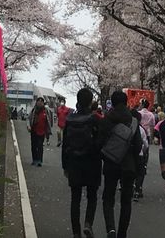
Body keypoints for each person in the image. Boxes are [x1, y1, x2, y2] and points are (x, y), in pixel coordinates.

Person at [99, 91, 143, 238]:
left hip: (111, 163)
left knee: (108, 198)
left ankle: (111, 229)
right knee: (126, 201)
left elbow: (100, 142)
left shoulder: (107, 119)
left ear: (112, 101)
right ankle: (122, 234)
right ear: (126, 102)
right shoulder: (133, 120)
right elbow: (138, 146)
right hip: (128, 165)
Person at [61, 87, 102, 238]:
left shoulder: (70, 119)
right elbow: (101, 142)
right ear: (91, 101)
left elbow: (65, 144)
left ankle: (76, 232)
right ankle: (88, 224)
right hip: (92, 162)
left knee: (75, 199)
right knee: (92, 196)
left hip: (74, 162)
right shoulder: (95, 119)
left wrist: (65, 165)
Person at [134, 99, 155, 199]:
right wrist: (151, 138)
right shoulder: (151, 115)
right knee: (144, 152)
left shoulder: (139, 113)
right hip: (146, 134)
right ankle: (144, 166)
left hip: (137, 132)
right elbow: (152, 127)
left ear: (142, 104)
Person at [28, 96, 52, 167]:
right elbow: (28, 119)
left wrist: (48, 129)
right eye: (39, 102)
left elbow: (49, 120)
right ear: (36, 102)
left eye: (41, 102)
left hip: (42, 131)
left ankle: (39, 161)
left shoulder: (46, 111)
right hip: (34, 131)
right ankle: (34, 159)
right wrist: (28, 126)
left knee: (40, 145)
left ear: (43, 103)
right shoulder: (33, 110)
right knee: (34, 145)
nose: (40, 103)